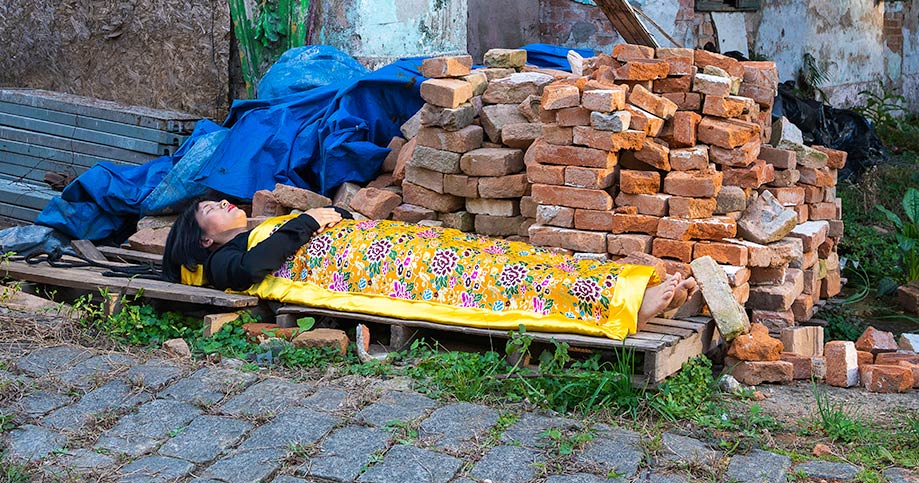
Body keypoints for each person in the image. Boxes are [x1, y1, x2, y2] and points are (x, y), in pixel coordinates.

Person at [162, 197, 693, 340]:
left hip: (389, 246)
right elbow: (258, 267)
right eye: (210, 211)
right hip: (386, 269)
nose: (223, 205)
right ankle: (624, 305)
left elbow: (334, 221)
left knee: (507, 258)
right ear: (203, 239)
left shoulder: (261, 228)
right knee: (496, 282)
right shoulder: (228, 261)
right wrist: (307, 221)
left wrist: (330, 218)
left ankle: (621, 281)